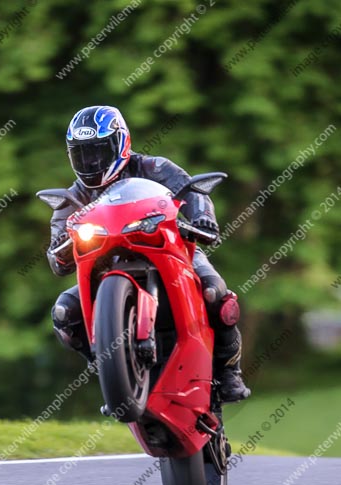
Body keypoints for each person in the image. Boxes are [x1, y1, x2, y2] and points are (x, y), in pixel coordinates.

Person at [48, 104, 251, 403]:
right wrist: (60, 249)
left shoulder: (154, 167)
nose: (90, 161)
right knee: (64, 312)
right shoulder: (73, 196)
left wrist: (202, 217)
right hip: (108, 266)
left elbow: (193, 191)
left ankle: (229, 371)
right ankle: (107, 366)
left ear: (121, 143)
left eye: (98, 151)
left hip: (169, 247)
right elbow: (57, 251)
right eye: (82, 154)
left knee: (215, 293)